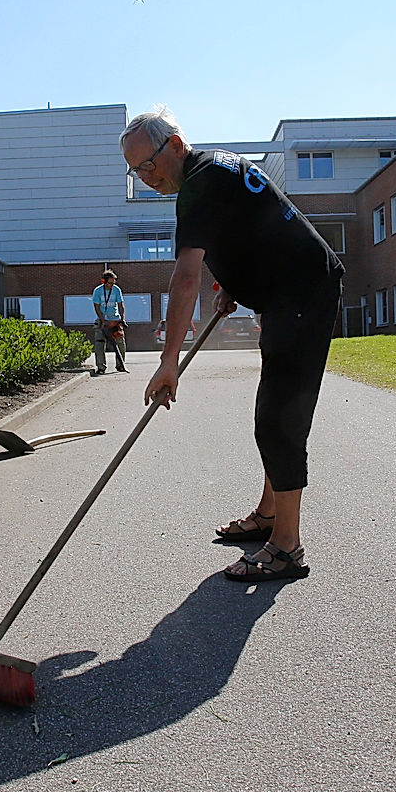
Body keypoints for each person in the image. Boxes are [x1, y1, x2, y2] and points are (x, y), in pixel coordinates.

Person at [122, 107, 344, 582]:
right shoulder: (213, 168)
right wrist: (232, 287)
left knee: (278, 417)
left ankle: (286, 547)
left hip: (303, 292)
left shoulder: (199, 184)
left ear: (176, 146)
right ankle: (268, 516)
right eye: (135, 171)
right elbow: (247, 228)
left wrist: (168, 362)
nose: (145, 178)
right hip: (290, 292)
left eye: (148, 164)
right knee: (274, 411)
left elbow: (184, 278)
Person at [92, 269, 128, 374]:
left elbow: (121, 305)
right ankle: (101, 367)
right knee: (99, 343)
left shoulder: (116, 290)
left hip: (115, 320)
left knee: (120, 343)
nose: (112, 285)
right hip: (102, 320)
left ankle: (120, 365)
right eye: (109, 283)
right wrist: (103, 320)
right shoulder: (97, 291)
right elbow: (97, 307)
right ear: (103, 281)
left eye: (113, 283)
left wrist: (122, 318)